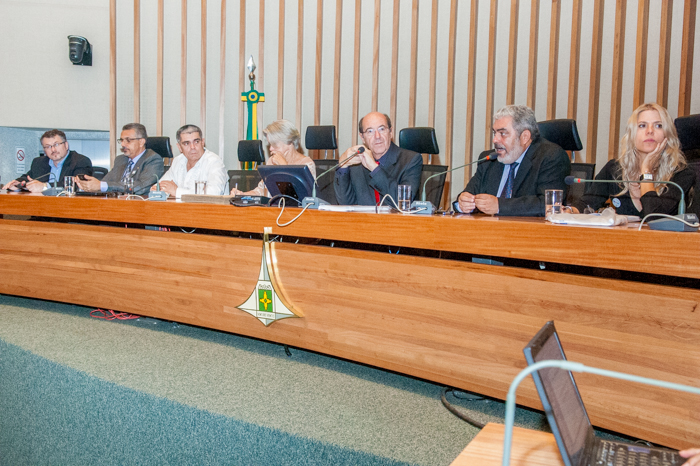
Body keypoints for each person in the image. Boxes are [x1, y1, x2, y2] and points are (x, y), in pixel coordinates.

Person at [571, 103, 695, 216]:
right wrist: (569, 211)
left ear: (667, 134)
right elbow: (587, 203)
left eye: (658, 125)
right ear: (632, 134)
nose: (650, 131)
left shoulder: (682, 173)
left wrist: (646, 171)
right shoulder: (614, 169)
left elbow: (654, 217)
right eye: (642, 125)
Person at [455, 105, 570, 216]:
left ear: (525, 137)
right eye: (495, 133)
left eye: (502, 133)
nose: (495, 140)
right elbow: (467, 195)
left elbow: (548, 204)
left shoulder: (550, 157)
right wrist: (463, 203)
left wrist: (499, 206)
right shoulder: (489, 160)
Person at [334, 112, 423, 206]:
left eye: (382, 129)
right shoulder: (356, 163)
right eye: (370, 131)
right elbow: (345, 203)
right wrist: (342, 167)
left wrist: (374, 168)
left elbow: (403, 202)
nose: (377, 136)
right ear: (362, 137)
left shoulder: (411, 160)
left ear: (391, 132)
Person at [230, 119, 315, 197]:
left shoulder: (306, 164)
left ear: (289, 143)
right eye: (270, 144)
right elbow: (261, 191)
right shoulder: (272, 161)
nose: (270, 148)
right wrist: (242, 195)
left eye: (274, 144)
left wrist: (284, 167)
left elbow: (298, 197)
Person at [75, 123, 163, 196]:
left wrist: (101, 185)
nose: (123, 144)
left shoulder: (153, 159)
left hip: (139, 206)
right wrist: (90, 184)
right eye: (121, 140)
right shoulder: (121, 159)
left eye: (128, 140)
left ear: (141, 142)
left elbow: (140, 186)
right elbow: (106, 182)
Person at [2, 129, 92, 192]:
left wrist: (44, 186)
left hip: (68, 210)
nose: (53, 150)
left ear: (66, 145)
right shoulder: (38, 162)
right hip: (41, 209)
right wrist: (17, 184)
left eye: (56, 145)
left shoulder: (80, 161)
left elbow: (78, 185)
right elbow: (28, 177)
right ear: (44, 150)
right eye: (48, 147)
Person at [152, 124, 227, 198]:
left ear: (202, 142)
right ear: (179, 147)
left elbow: (214, 194)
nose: (192, 147)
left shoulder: (214, 162)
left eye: (196, 142)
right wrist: (158, 189)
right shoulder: (178, 160)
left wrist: (177, 191)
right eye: (187, 143)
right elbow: (159, 186)